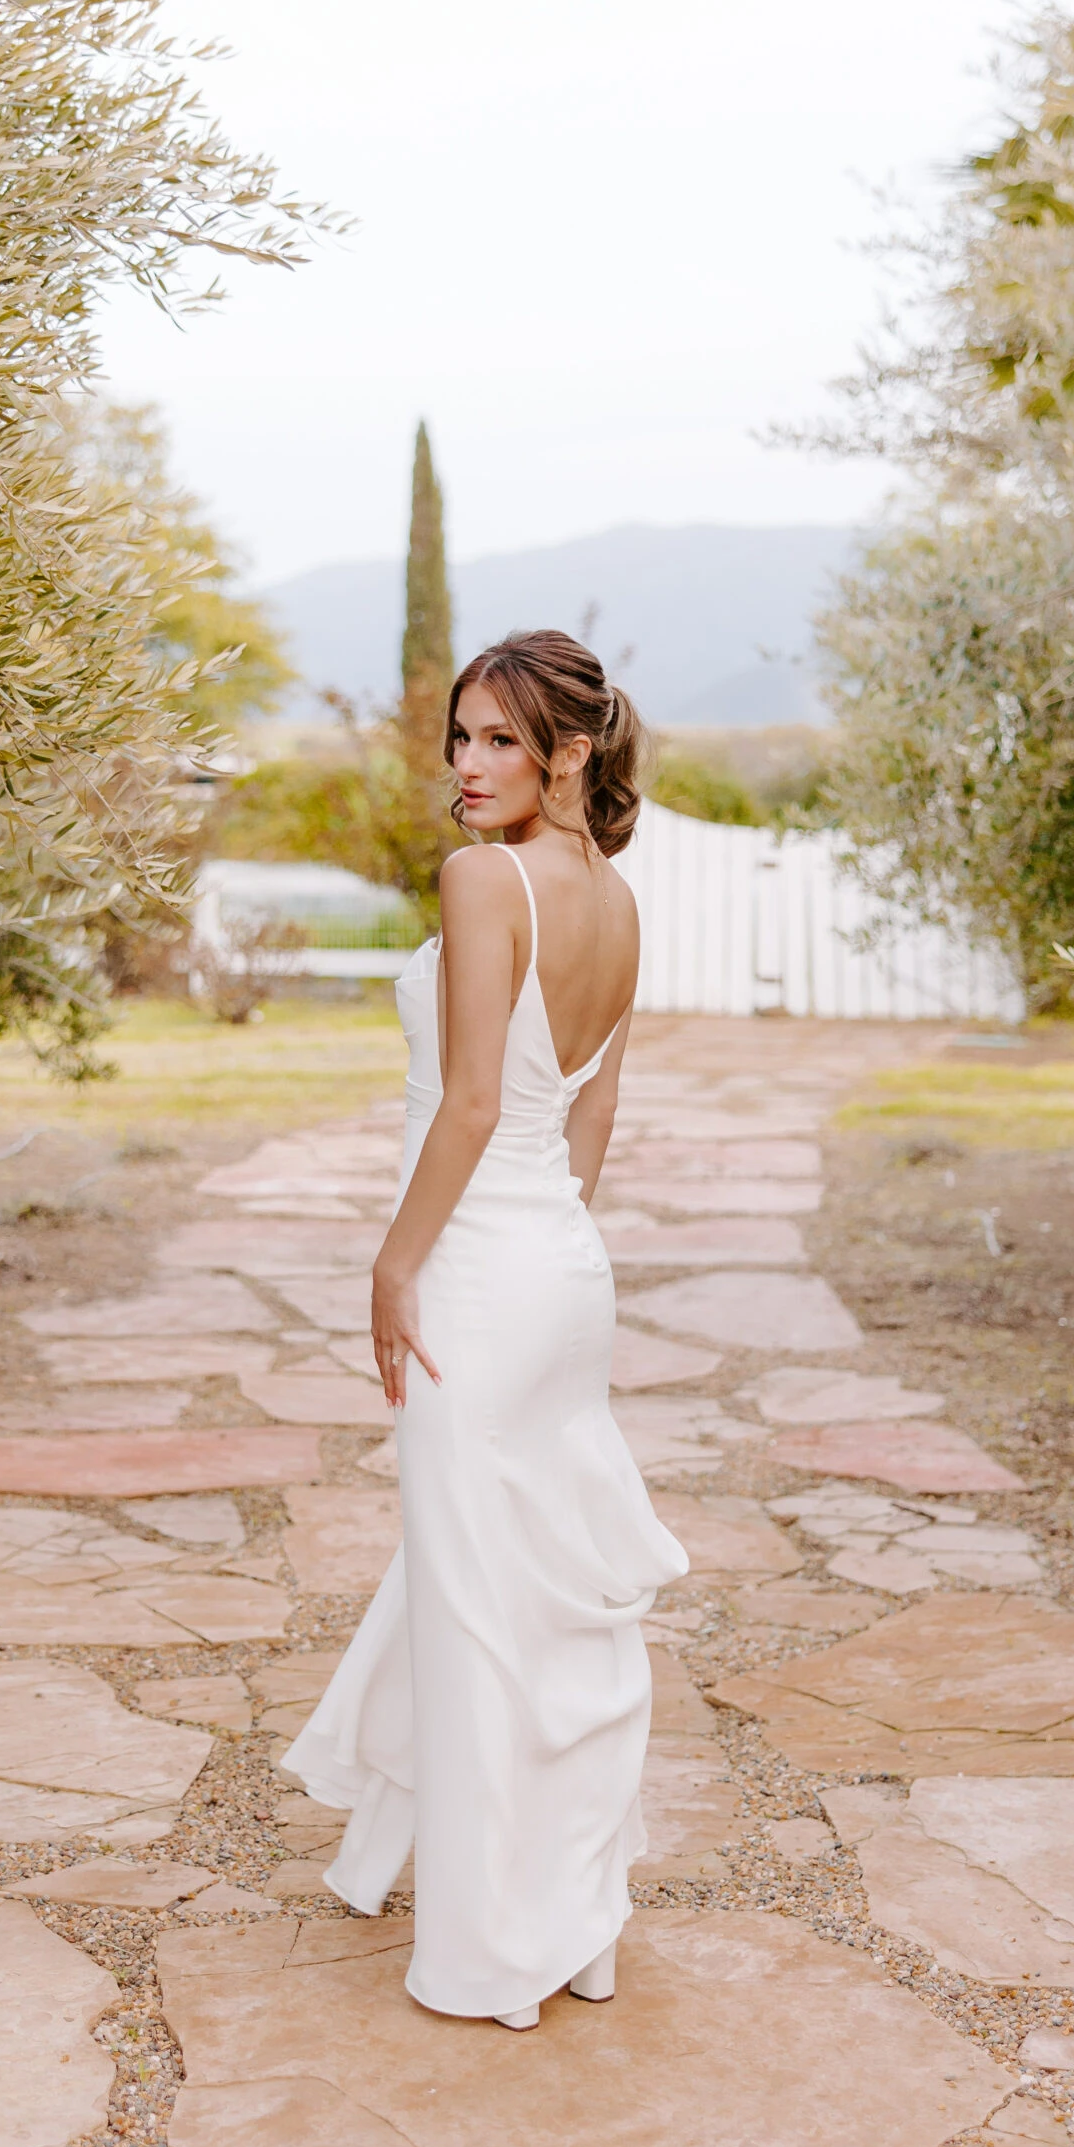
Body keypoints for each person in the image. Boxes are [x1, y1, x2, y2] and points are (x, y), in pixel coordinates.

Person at [284, 628, 687, 2030]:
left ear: (569, 749)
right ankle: (575, 1918)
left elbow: (467, 1103)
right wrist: (537, 1242)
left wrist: (399, 1270)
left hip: (472, 1272)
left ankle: (494, 1945)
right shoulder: (617, 902)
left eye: (498, 740)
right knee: (531, 1592)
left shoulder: (482, 879)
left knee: (477, 1612)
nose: (466, 765)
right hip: (560, 1275)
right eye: (460, 737)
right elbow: (586, 1126)